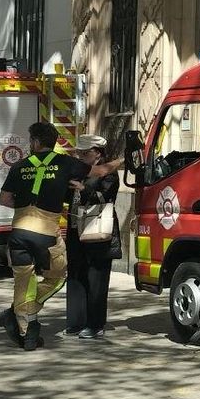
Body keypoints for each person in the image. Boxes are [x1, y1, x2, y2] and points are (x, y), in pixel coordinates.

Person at [0, 122, 122, 351]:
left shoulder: (19, 166)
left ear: (34, 142)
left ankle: (27, 330)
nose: (81, 155)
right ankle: (19, 315)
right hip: (46, 235)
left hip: (19, 233)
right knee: (57, 278)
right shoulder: (65, 163)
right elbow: (102, 171)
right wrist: (124, 159)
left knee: (24, 282)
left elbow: (4, 200)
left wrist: (25, 208)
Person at [64, 134, 122, 339]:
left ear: (97, 153)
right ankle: (76, 321)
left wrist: (84, 188)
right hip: (75, 230)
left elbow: (105, 198)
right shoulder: (78, 170)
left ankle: (95, 323)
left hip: (98, 231)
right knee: (76, 275)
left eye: (84, 153)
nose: (80, 156)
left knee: (96, 279)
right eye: (78, 153)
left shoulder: (108, 174)